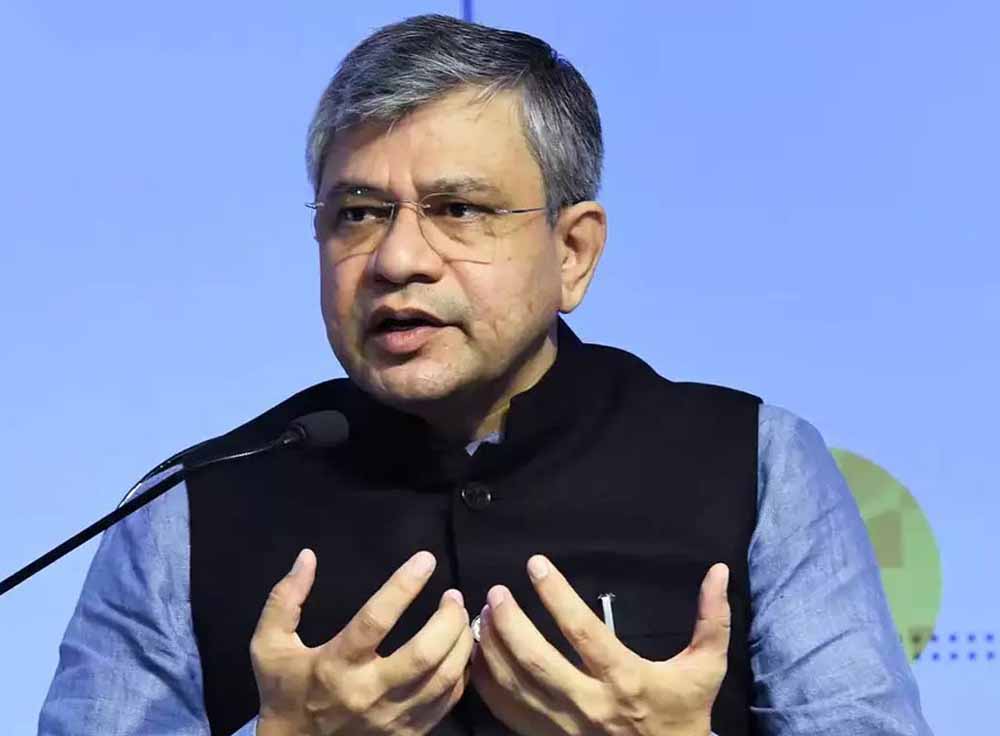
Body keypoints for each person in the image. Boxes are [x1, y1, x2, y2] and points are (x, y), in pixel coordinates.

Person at [39, 13, 932, 736]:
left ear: (573, 252)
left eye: (458, 209)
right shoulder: (190, 505)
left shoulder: (755, 463)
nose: (397, 260)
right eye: (357, 213)